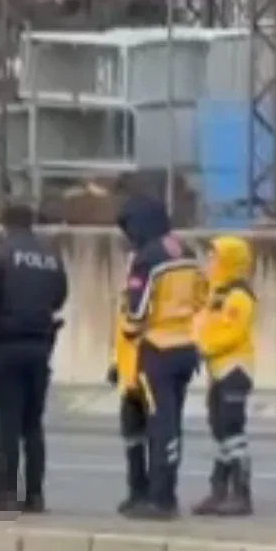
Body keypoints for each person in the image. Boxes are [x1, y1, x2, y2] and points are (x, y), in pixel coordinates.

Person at [0, 203, 67, 514]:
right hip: (40, 347)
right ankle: (35, 496)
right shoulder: (50, 257)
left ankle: (6, 493)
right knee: (33, 425)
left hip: (6, 348)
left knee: (7, 425)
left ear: (4, 225)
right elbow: (61, 296)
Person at [113, 194, 206, 521]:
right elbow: (202, 299)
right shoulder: (188, 252)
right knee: (168, 422)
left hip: (155, 351)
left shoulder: (147, 259)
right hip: (186, 349)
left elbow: (136, 315)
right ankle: (153, 493)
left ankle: (160, 499)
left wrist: (125, 333)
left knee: (160, 425)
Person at [191, 235, 256, 516]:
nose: (209, 262)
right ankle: (219, 490)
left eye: (213, 257)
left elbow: (231, 332)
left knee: (232, 427)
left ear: (229, 261)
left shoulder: (239, 296)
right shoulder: (216, 294)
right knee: (219, 428)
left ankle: (241, 493)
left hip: (235, 369)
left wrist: (203, 345)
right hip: (218, 370)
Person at [107, 283, 150, 514]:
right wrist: (117, 365)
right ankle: (136, 491)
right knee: (132, 438)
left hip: (146, 377)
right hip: (129, 378)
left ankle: (151, 493)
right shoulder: (128, 297)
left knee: (153, 438)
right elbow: (124, 339)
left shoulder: (150, 297)